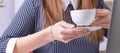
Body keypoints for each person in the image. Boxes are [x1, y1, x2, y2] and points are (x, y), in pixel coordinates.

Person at [0, 0, 111, 53]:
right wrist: (50, 34)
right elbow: (3, 46)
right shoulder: (37, 3)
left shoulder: (95, 3)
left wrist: (114, 22)